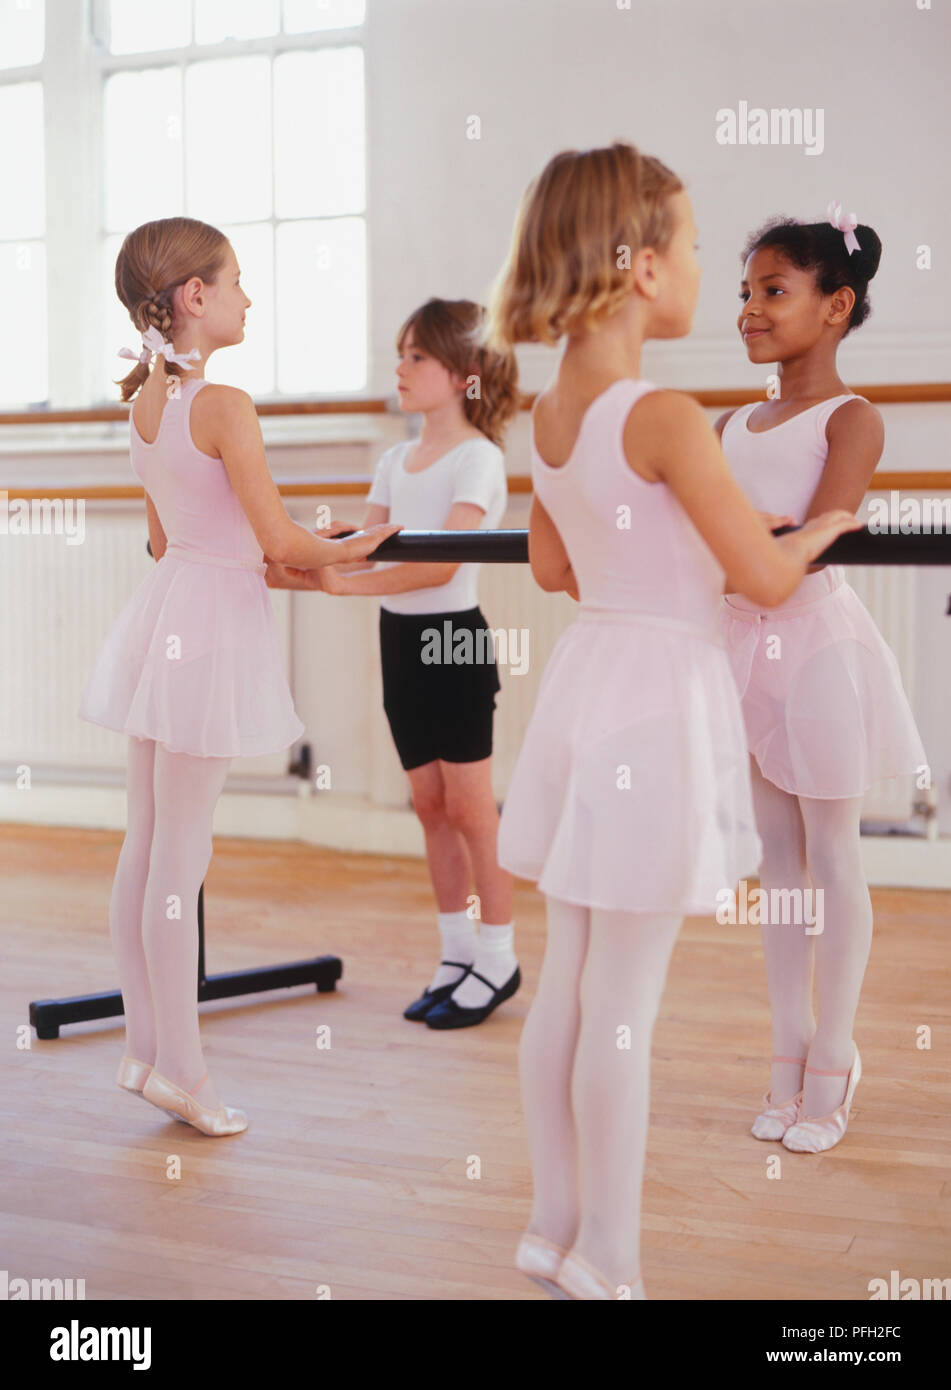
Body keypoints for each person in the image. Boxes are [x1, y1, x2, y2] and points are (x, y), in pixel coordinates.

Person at [484, 142, 863, 1299]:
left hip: (590, 681)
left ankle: (552, 1226)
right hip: (659, 699)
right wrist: (823, 530)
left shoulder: (549, 415)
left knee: (569, 979)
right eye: (696, 249)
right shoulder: (665, 413)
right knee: (626, 1000)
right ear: (642, 267)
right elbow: (761, 578)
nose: (707, 270)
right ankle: (611, 1249)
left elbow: (553, 567)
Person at [79, 216, 400, 1136]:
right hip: (209, 629)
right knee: (182, 857)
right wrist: (350, 542)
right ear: (194, 299)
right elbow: (275, 539)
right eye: (236, 282)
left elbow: (161, 538)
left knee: (146, 846)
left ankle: (145, 1051)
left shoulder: (146, 402)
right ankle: (185, 1071)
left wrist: (307, 555)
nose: (248, 297)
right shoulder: (222, 405)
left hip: (168, 611)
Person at [715, 208, 928, 1154]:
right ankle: (786, 1049)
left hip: (814, 652)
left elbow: (825, 524)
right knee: (777, 859)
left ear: (835, 306)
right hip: (738, 647)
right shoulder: (730, 422)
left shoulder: (852, 417)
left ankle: (835, 1055)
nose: (750, 310)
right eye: (745, 293)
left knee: (831, 853)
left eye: (773, 291)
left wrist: (731, 539)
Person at [269, 299, 522, 1029]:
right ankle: (454, 951)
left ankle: (498, 957)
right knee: (430, 806)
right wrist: (319, 554)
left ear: (462, 373)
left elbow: (440, 565)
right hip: (401, 645)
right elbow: (371, 539)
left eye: (417, 357)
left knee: (472, 808)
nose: (400, 369)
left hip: (454, 642)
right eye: (400, 354)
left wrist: (342, 582)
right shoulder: (391, 458)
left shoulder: (478, 458)